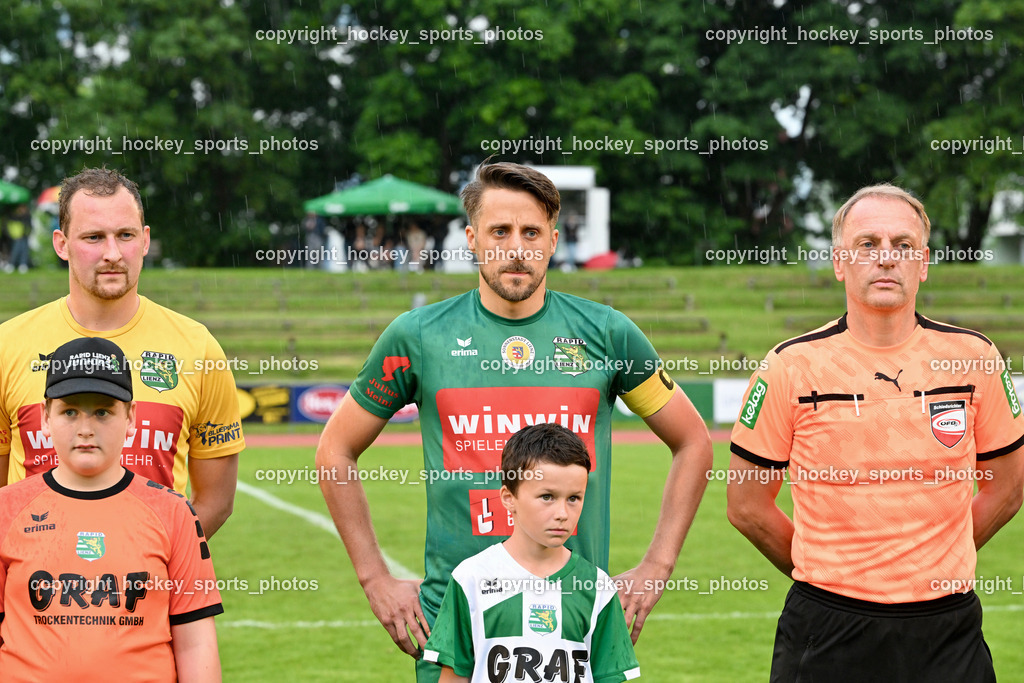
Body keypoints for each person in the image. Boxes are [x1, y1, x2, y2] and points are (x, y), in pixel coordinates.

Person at [316, 161, 712, 682]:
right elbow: (334, 451)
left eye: (531, 232)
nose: (516, 247)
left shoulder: (608, 333)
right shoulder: (417, 336)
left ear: (552, 240)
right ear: (472, 238)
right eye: (500, 231)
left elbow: (693, 442)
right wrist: (374, 579)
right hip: (455, 626)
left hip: (576, 624)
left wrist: (657, 565)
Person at [726, 184, 1024, 682]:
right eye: (867, 244)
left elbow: (1008, 488)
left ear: (923, 263)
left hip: (947, 632)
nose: (886, 258)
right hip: (826, 629)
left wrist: (925, 559)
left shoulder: (975, 359)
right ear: (840, 262)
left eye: (903, 245)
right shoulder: (790, 366)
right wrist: (827, 569)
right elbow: (746, 506)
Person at [0, 167, 243, 537]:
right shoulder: (8, 346)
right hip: (36, 592)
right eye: (94, 237)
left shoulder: (197, 347)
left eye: (125, 235)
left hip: (149, 592)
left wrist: (151, 563)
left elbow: (216, 500)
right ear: (61, 243)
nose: (112, 253)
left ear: (144, 240)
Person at [0, 336, 223, 680]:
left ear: (131, 416)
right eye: (70, 411)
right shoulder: (6, 509)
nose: (86, 429)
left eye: (103, 412)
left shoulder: (173, 512)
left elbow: (195, 641)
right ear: (45, 417)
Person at [424, 423, 640, 682]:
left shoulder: (598, 587)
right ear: (508, 497)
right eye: (547, 497)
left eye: (573, 498)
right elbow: (455, 676)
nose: (562, 513)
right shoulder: (470, 578)